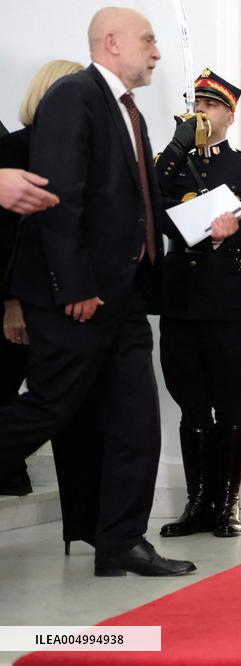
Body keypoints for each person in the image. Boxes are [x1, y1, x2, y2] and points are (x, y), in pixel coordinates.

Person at [0, 7, 195, 577]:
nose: (157, 52)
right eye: (148, 40)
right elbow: (58, 200)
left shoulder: (128, 110)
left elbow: (136, 204)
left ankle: (121, 544)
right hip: (78, 299)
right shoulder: (73, 96)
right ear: (112, 42)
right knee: (48, 408)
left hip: (124, 298)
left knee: (137, 423)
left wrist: (193, 228)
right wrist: (75, 286)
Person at [155, 68, 241, 539]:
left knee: (230, 405)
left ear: (230, 115)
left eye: (211, 106)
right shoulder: (168, 164)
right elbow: (148, 207)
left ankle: (226, 504)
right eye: (197, 105)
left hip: (229, 304)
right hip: (181, 304)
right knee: (191, 405)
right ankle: (197, 505)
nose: (202, 113)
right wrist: (176, 149)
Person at [0, 59, 84, 501]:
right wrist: (10, 302)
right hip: (18, 299)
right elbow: (6, 236)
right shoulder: (13, 149)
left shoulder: (79, 155)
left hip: (63, 300)